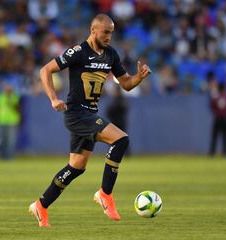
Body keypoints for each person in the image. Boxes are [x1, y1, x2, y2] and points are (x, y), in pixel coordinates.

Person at [28, 14, 151, 227]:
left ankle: (41, 205)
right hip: (77, 114)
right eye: (105, 32)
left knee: (76, 167)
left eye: (111, 33)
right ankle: (105, 194)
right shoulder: (78, 52)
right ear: (93, 30)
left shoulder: (111, 54)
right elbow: (45, 70)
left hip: (89, 114)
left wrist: (138, 77)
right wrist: (53, 98)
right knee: (121, 140)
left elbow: (126, 84)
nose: (109, 36)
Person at [0, 83, 21, 160]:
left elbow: (17, 108)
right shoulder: (0, 96)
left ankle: (10, 157)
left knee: (10, 141)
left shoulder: (15, 97)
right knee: (2, 140)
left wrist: (10, 100)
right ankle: (3, 156)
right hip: (1, 120)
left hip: (12, 121)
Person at [209, 82, 226, 157]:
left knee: (215, 136)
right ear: (224, 89)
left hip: (218, 118)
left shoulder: (216, 97)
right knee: (225, 136)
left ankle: (212, 153)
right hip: (225, 118)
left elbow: (212, 106)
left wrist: (216, 113)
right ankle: (225, 153)